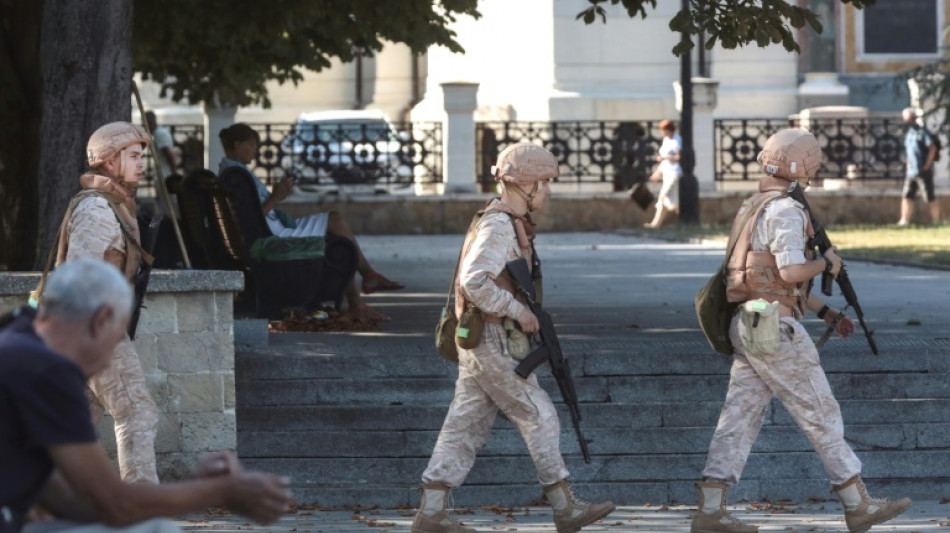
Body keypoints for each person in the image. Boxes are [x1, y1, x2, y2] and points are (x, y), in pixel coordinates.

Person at [691, 128, 912, 533]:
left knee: (738, 417)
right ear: (804, 166)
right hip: (777, 330)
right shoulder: (787, 210)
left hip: (749, 322)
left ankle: (710, 508)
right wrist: (827, 264)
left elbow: (767, 276)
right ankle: (856, 503)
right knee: (820, 411)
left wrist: (826, 312)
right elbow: (792, 271)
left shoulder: (753, 206)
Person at [1, 258, 292, 533]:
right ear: (101, 320)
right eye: (116, 340)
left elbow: (71, 499)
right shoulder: (45, 370)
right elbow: (115, 504)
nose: (106, 362)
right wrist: (222, 490)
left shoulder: (17, 341)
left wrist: (194, 488)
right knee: (156, 530)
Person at [412, 142, 615, 533]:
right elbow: (474, 281)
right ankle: (564, 507)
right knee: (538, 413)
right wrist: (518, 310)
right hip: (492, 338)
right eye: (546, 183)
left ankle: (432, 511)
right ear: (527, 185)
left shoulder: (506, 220)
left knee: (465, 423)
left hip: (487, 338)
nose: (549, 191)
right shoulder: (499, 224)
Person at [53, 121, 160, 483]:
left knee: (77, 423)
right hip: (94, 330)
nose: (141, 163)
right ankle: (142, 505)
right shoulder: (98, 210)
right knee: (137, 412)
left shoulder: (113, 205)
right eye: (133, 156)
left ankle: (48, 505)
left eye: (142, 155)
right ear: (109, 162)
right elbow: (79, 277)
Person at [217, 123, 403, 323]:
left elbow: (250, 216)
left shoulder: (233, 172)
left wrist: (275, 196)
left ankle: (361, 291)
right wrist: (276, 197)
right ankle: (363, 288)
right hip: (271, 235)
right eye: (251, 145)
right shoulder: (236, 175)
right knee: (335, 221)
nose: (255, 150)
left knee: (337, 231)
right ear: (236, 145)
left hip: (268, 229)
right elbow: (251, 221)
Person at [898, 107, 941, 226]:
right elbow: (909, 151)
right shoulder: (909, 134)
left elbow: (932, 147)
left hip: (923, 170)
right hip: (911, 171)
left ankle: (936, 220)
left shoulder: (922, 132)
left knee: (929, 196)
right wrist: (908, 163)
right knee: (907, 195)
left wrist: (927, 164)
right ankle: (904, 220)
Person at [643, 120, 682, 228]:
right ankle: (656, 224)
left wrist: (665, 157)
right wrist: (657, 174)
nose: (661, 132)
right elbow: (663, 162)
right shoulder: (666, 140)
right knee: (671, 200)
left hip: (674, 172)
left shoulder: (676, 140)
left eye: (662, 130)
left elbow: (679, 157)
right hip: (666, 173)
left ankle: (656, 224)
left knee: (663, 196)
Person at [145, 111, 178, 179]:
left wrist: (174, 174)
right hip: (163, 174)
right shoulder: (159, 132)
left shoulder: (159, 134)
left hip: (165, 175)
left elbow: (169, 154)